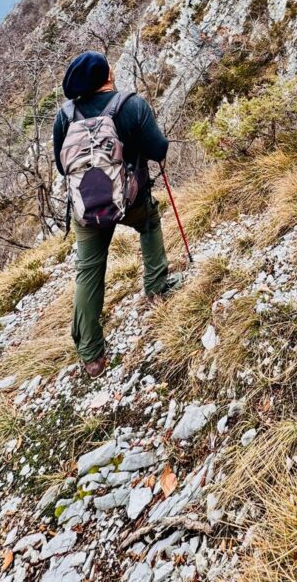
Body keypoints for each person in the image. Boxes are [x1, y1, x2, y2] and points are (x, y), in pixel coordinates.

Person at [53, 50, 181, 378]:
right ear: (106, 77)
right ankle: (155, 289)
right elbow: (159, 149)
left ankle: (91, 355)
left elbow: (61, 164)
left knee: (89, 270)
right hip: (132, 198)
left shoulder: (65, 116)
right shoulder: (131, 105)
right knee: (150, 223)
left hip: (87, 209)